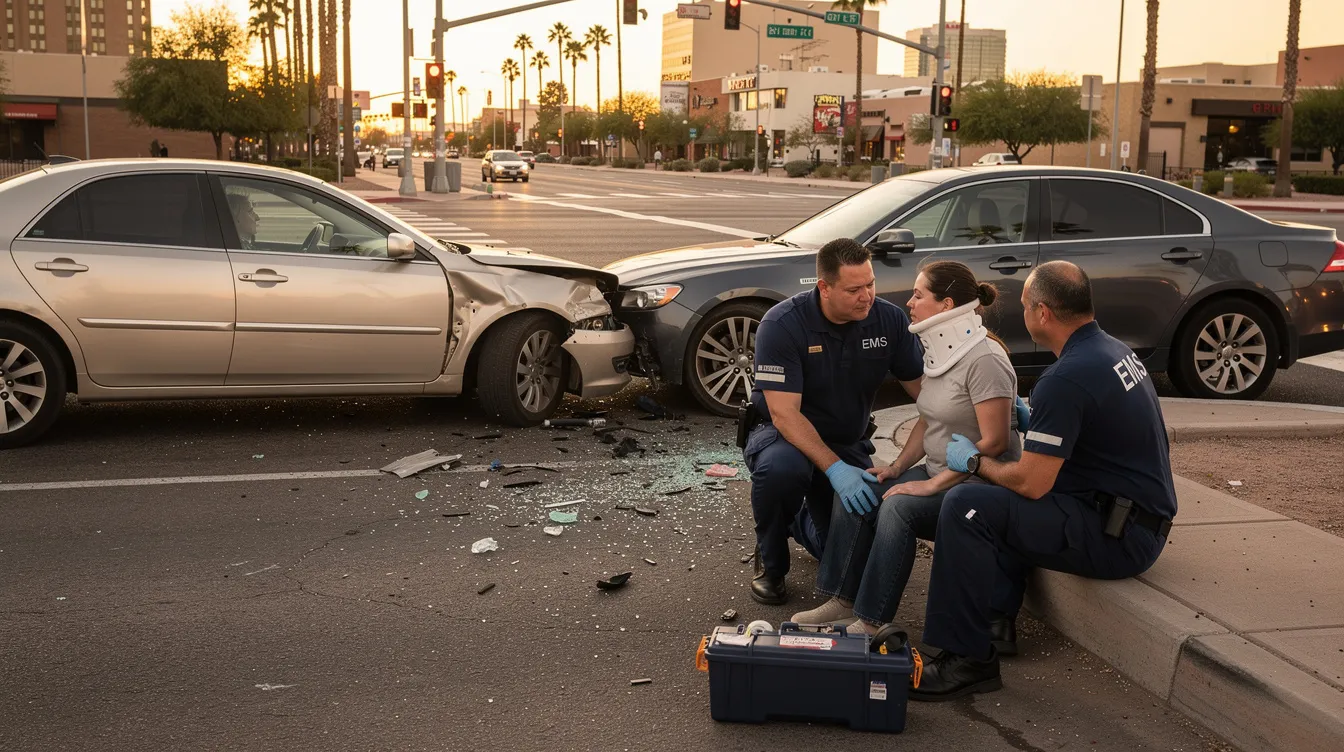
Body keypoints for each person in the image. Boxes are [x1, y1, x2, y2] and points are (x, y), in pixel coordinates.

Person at [910, 260, 1177, 702]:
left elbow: (1031, 483)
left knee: (968, 505)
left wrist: (974, 462)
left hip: (1119, 537)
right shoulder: (1113, 350)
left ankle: (966, 659)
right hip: (1136, 518)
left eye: (1026, 306)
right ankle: (995, 623)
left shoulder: (1065, 377)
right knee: (997, 502)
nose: (1023, 313)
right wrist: (1034, 420)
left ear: (1044, 314)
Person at [793, 261, 1023, 636]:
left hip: (979, 485)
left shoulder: (984, 360)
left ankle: (871, 619)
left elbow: (995, 443)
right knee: (860, 487)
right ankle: (841, 600)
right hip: (938, 470)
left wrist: (931, 486)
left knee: (898, 507)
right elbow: (929, 416)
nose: (909, 303)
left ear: (946, 305)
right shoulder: (944, 351)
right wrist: (897, 467)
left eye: (918, 295)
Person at [743, 238, 924, 605]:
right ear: (823, 287)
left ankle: (796, 522)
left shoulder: (888, 320)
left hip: (847, 440)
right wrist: (835, 470)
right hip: (785, 438)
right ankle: (772, 562)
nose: (866, 296)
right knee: (781, 472)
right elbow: (784, 414)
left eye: (870, 284)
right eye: (854, 289)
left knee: (844, 557)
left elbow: (926, 392)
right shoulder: (782, 324)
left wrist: (984, 401)